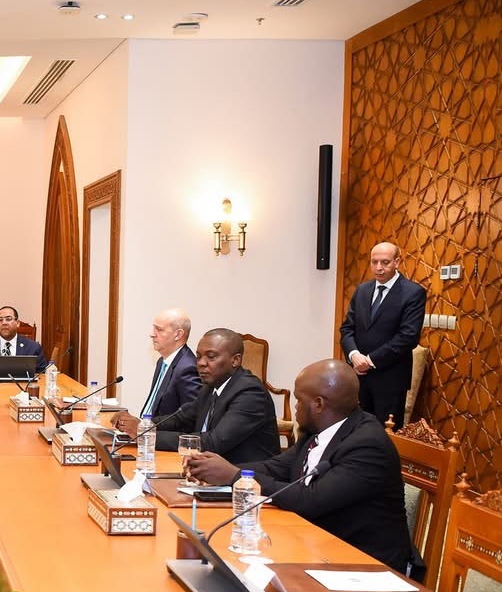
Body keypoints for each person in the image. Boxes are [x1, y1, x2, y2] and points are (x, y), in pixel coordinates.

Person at [188, 359, 411, 572]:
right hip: (315, 543)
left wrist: (235, 476)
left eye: (298, 400)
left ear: (319, 404)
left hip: (362, 563)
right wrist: (217, 468)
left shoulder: (368, 445)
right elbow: (276, 467)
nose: (295, 407)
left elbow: (311, 500)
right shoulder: (315, 431)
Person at [116, 328, 279, 464]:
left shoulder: (250, 393)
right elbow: (180, 418)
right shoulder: (211, 386)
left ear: (235, 360)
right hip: (207, 471)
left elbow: (214, 442)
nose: (201, 363)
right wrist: (142, 424)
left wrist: (146, 435)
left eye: (211, 357)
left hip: (245, 480)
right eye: (199, 356)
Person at [339, 241, 428, 430]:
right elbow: (347, 329)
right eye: (374, 262)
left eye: (385, 262)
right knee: (356, 432)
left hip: (390, 381)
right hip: (359, 378)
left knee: (384, 437)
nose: (378, 268)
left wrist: (370, 360)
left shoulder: (413, 293)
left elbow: (408, 337)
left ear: (397, 262)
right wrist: (354, 355)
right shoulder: (362, 290)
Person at [113, 309, 200, 429]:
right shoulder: (162, 361)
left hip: (162, 437)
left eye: (159, 329)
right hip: (147, 432)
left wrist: (143, 425)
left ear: (178, 334)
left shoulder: (188, 367)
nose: (152, 334)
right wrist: (136, 423)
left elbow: (188, 419)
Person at [0, 306, 47, 371]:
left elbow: (42, 375)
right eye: (0, 320)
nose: (4, 323)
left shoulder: (33, 348)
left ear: (18, 323)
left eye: (8, 319)